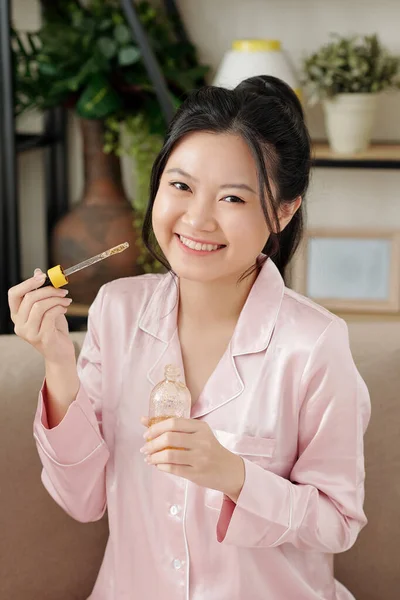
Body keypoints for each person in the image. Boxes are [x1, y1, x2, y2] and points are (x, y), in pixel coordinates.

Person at [8, 75, 370, 600]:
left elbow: (338, 521)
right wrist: (59, 364)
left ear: (283, 211)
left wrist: (234, 475)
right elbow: (82, 501)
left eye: (232, 198)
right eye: (180, 186)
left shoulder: (314, 344)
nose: (197, 219)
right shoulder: (117, 310)